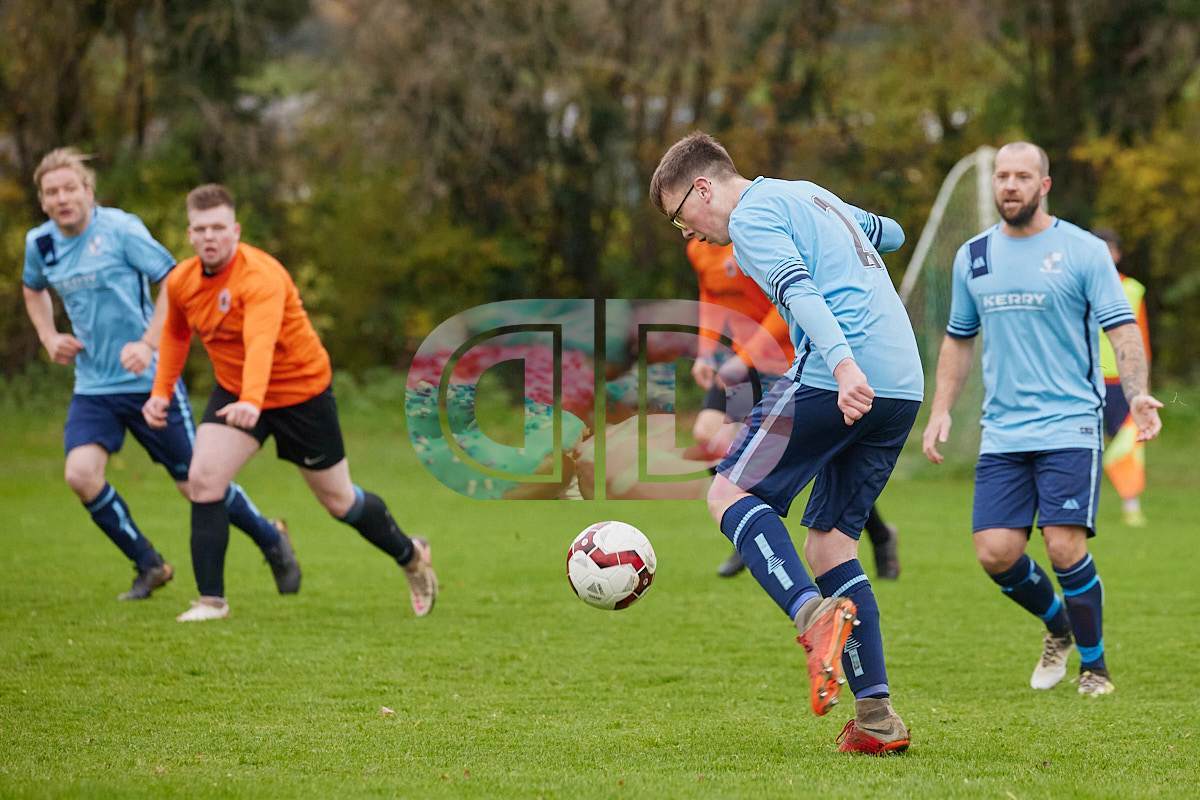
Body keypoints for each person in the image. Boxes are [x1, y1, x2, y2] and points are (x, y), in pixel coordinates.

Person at [650, 132, 922, 754]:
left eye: (680, 217)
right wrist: (853, 231)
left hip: (839, 374)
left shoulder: (750, 218)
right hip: (903, 384)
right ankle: (877, 718)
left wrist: (844, 366)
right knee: (830, 545)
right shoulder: (807, 195)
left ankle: (810, 614)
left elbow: (799, 290)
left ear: (703, 188)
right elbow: (892, 233)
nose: (688, 233)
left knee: (727, 493)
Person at [922, 142, 1162, 698]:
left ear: (1044, 185)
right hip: (1003, 429)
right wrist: (940, 410)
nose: (1010, 185)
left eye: (1022, 176)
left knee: (1062, 546)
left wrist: (1138, 394)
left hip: (1070, 423)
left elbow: (1122, 329)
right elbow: (958, 339)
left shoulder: (1083, 251)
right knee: (995, 552)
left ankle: (1095, 669)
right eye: (1003, 176)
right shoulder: (973, 256)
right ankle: (1059, 625)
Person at [143, 184, 437, 622]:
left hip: (300, 392)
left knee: (340, 501)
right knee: (203, 479)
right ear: (189, 234)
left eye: (218, 227)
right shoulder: (182, 280)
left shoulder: (260, 276)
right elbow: (175, 335)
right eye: (201, 229)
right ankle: (211, 602)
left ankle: (411, 555)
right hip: (236, 391)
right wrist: (160, 392)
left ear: (236, 230)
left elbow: (260, 342)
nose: (209, 237)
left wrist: (253, 400)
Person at [20, 148, 298, 601]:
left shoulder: (121, 230)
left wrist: (148, 344)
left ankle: (270, 536)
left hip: (150, 383)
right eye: (52, 192)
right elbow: (32, 288)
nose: (62, 198)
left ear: (88, 191)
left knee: (196, 484)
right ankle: (149, 564)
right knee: (80, 475)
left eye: (70, 188)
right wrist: (49, 336)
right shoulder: (41, 244)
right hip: (93, 386)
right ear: (42, 200)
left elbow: (176, 282)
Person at [687, 239, 904, 580]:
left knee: (820, 456)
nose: (685, 228)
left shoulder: (748, 239)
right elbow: (710, 297)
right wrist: (706, 351)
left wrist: (744, 359)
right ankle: (745, 525)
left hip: (785, 355)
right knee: (708, 432)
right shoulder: (698, 246)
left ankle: (880, 535)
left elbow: (784, 304)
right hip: (740, 360)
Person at [1093, 229, 1152, 527]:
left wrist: (1143, 384)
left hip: (1121, 381)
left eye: (1109, 250)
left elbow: (1141, 338)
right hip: (1085, 378)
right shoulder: (1076, 286)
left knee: (1128, 443)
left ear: (1117, 254)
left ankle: (1131, 505)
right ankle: (1077, 505)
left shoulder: (1132, 290)